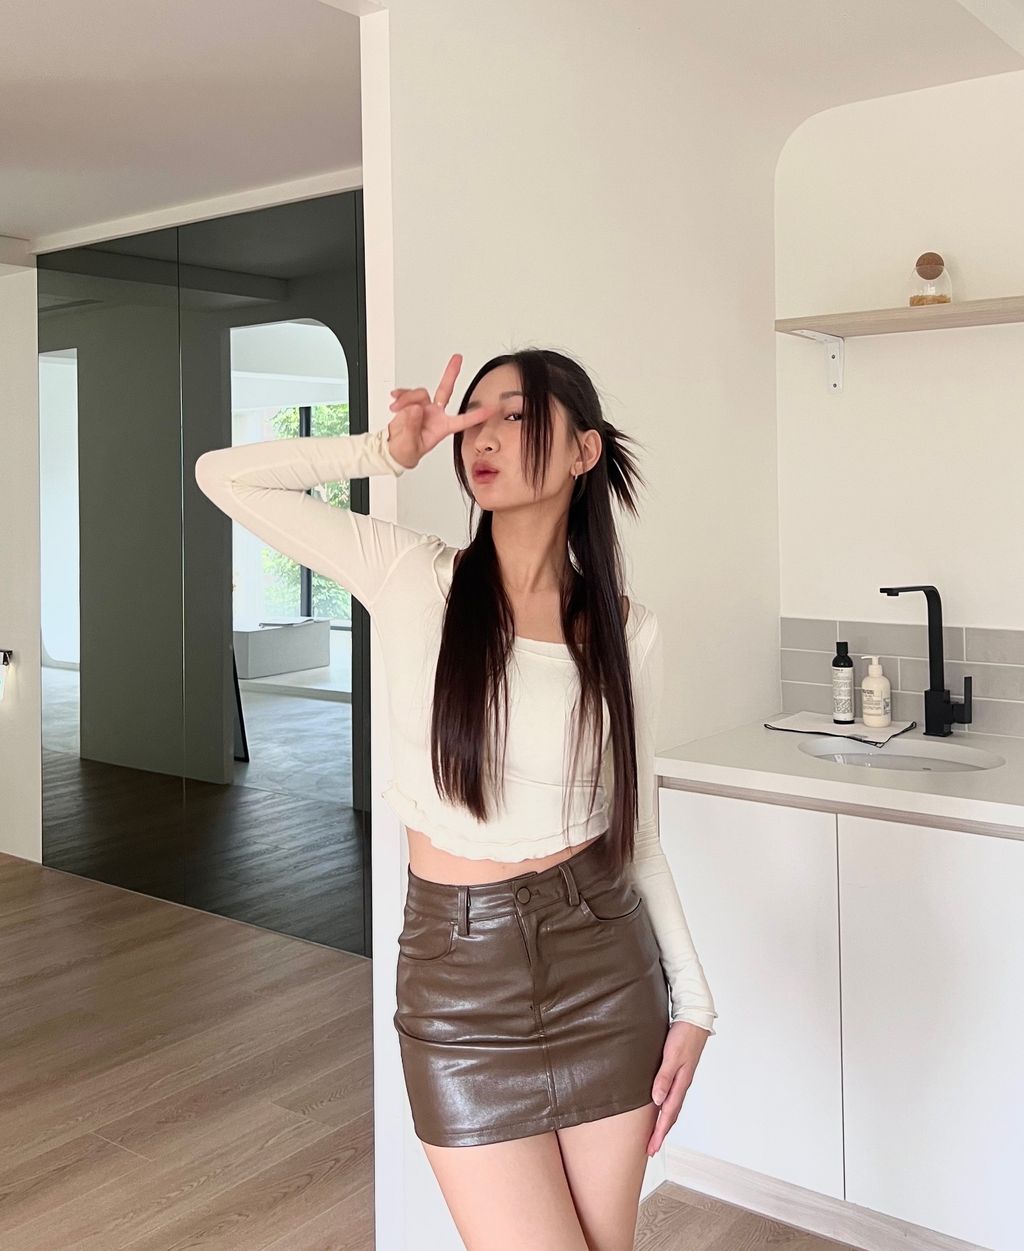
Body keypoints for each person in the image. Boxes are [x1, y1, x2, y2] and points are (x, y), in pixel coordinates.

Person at [194, 347, 717, 1251]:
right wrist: (381, 451)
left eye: (516, 413)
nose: (483, 434)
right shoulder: (410, 575)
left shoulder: (626, 629)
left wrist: (695, 1002)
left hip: (605, 963)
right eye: (474, 415)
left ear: (584, 450)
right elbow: (222, 476)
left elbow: (636, 832)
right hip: (459, 982)